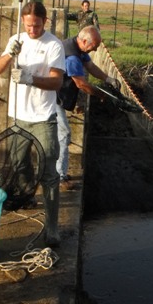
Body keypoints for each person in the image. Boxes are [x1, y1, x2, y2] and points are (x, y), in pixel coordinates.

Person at [0, 1, 65, 247]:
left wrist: (30, 78)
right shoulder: (16, 39)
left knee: (49, 172)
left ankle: (52, 228)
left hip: (44, 117)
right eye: (28, 25)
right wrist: (9, 53)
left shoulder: (54, 45)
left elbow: (56, 83)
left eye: (36, 25)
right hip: (19, 116)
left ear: (45, 21)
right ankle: (28, 196)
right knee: (18, 162)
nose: (31, 30)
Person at [56, 25, 120, 190]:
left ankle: (57, 171)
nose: (96, 49)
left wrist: (108, 79)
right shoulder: (72, 58)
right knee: (64, 134)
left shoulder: (78, 47)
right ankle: (59, 178)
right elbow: (81, 84)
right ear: (84, 41)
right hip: (50, 98)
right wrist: (101, 95)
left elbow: (91, 67)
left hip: (57, 96)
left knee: (59, 134)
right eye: (94, 46)